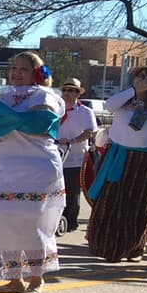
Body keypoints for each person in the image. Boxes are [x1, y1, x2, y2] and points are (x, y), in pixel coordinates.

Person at [0, 51, 64, 293]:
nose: (16, 72)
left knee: (32, 224)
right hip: (3, 169)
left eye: (23, 68)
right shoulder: (7, 95)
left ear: (36, 73)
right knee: (3, 223)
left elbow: (37, 124)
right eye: (14, 67)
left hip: (34, 170)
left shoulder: (44, 95)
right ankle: (13, 278)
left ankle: (36, 278)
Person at [86, 65, 147, 262]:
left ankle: (135, 246)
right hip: (118, 156)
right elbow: (108, 106)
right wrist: (135, 91)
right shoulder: (125, 100)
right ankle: (106, 245)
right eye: (138, 77)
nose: (141, 80)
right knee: (110, 200)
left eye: (146, 77)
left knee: (138, 203)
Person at [57, 78, 97, 233]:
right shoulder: (56, 110)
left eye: (71, 90)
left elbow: (90, 131)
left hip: (75, 157)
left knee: (72, 191)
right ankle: (57, 219)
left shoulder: (85, 112)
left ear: (78, 93)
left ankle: (70, 221)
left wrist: (72, 141)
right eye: (65, 90)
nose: (67, 93)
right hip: (56, 155)